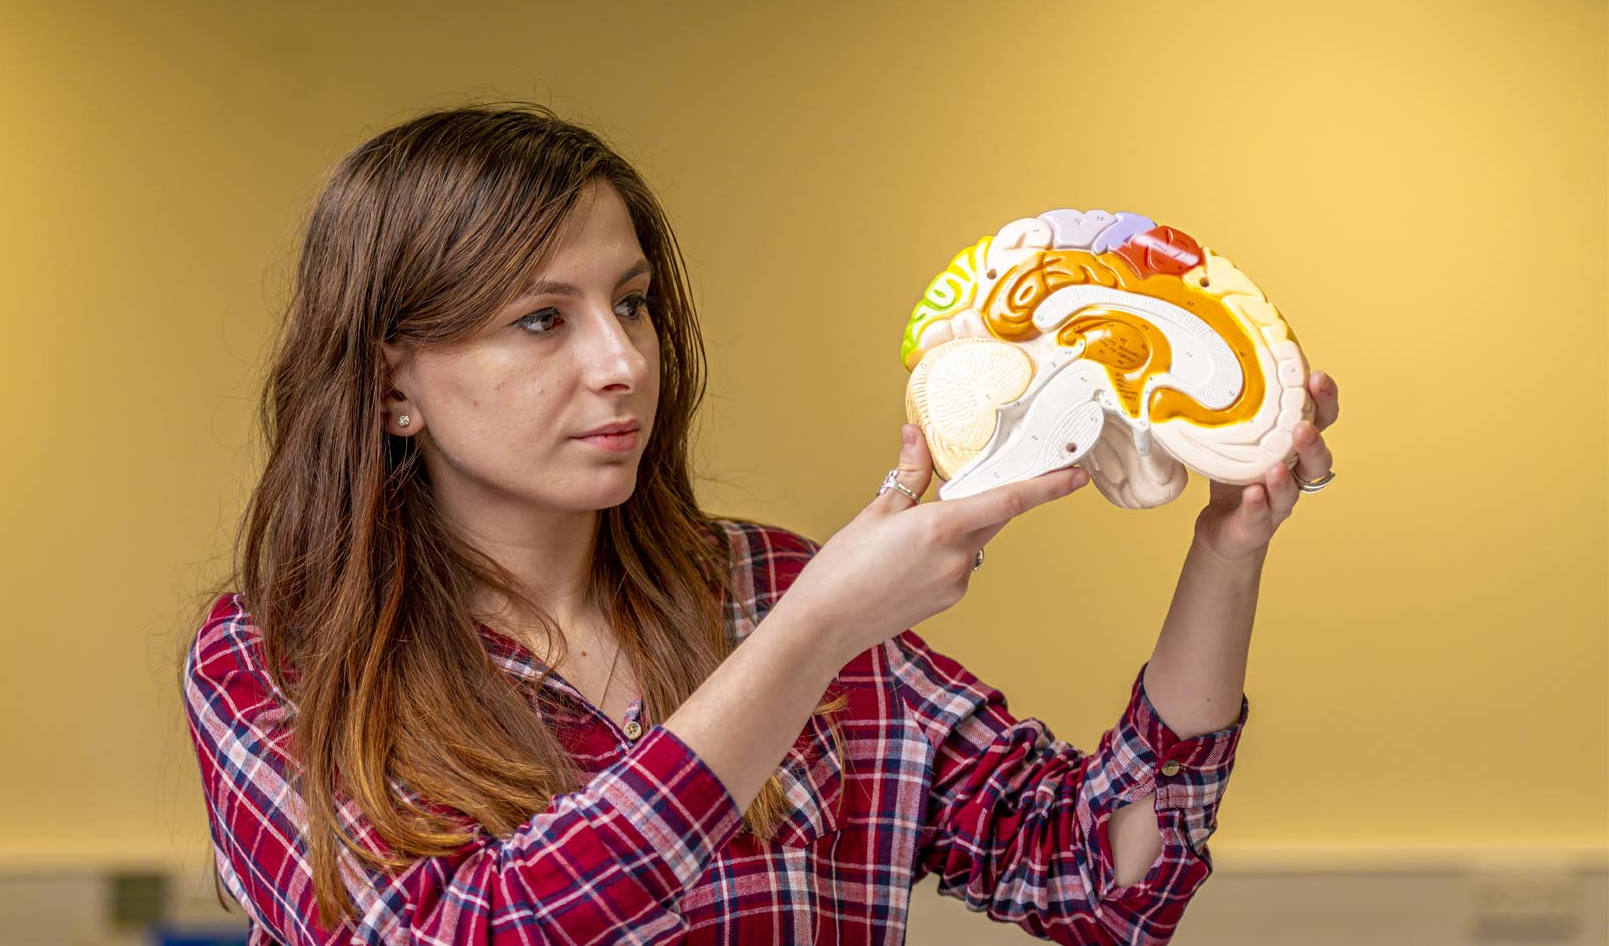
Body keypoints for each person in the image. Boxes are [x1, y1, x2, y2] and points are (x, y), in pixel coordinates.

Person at [181, 102, 1339, 945]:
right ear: (391, 386)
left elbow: (1105, 883)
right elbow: (462, 934)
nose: (621, 362)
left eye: (631, 305)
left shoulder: (768, 587)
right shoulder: (275, 660)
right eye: (542, 321)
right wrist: (809, 637)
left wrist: (1227, 552)